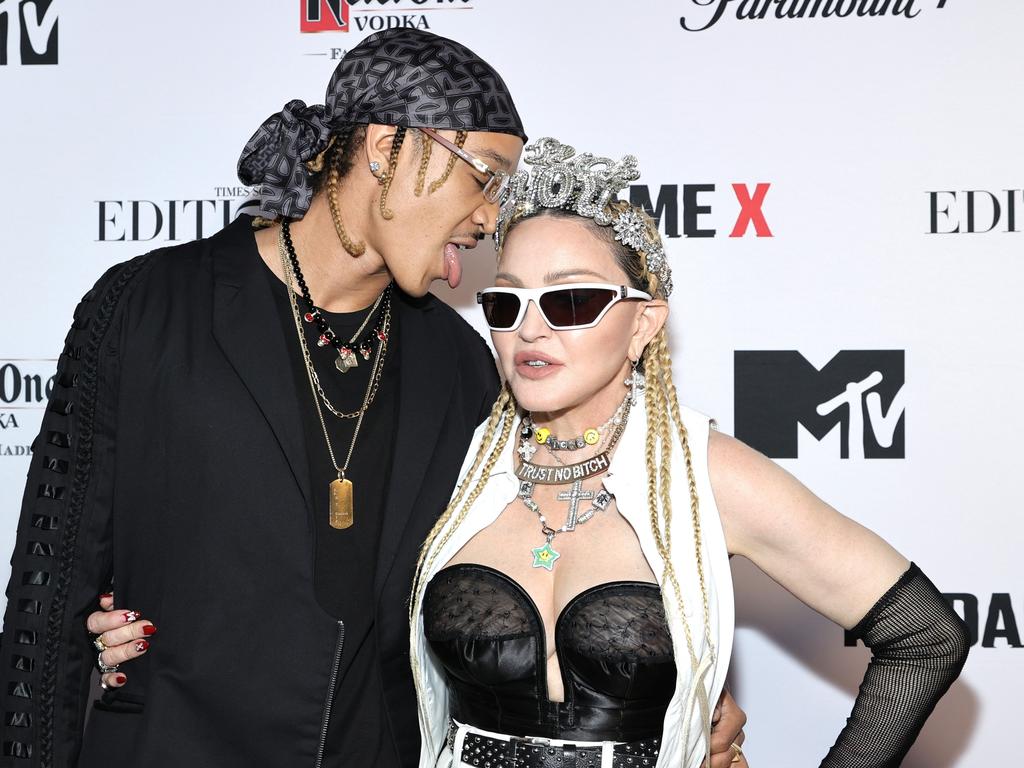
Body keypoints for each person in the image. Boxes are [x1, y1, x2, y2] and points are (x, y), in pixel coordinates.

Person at [0, 31, 747, 768]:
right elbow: (49, 593)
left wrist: (677, 687)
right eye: (483, 175)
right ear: (387, 149)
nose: (491, 217)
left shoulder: (463, 365)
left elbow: (563, 531)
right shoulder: (149, 308)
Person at [406, 139, 971, 767]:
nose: (530, 329)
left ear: (644, 325)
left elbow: (926, 639)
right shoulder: (466, 460)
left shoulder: (708, 475)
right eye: (506, 302)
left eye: (571, 301)